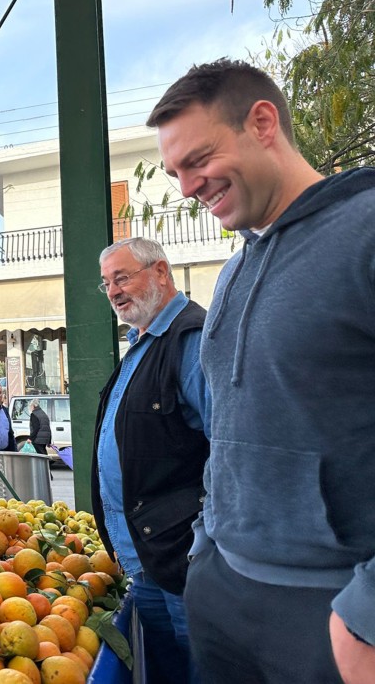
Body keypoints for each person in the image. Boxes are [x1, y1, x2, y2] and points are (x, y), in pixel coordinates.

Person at [149, 58, 375, 684]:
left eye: (198, 159)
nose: (188, 186)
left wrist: (369, 613)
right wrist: (206, 549)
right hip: (223, 589)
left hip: (333, 608)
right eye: (175, 173)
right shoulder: (232, 273)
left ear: (264, 122)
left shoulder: (365, 230)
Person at [92, 237, 210, 684]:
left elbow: (229, 448)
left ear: (160, 272)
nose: (115, 291)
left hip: (186, 560)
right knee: (166, 670)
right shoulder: (141, 342)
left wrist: (203, 543)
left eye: (123, 277)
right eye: (107, 284)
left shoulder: (190, 339)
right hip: (146, 557)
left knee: (200, 669)